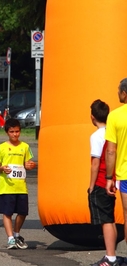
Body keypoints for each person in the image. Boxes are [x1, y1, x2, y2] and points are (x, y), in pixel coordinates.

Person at [0, 118, 36, 249]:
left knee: (23, 212)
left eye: (17, 131)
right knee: (7, 213)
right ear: (7, 132)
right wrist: (2, 168)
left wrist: (31, 165)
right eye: (12, 132)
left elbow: (28, 164)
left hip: (21, 187)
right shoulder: (1, 148)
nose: (15, 134)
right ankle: (10, 238)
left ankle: (17, 234)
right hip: (6, 187)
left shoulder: (25, 147)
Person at [88, 99, 118, 266]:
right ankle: (111, 254)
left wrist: (91, 185)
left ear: (92, 117)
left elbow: (95, 163)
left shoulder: (96, 136)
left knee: (105, 220)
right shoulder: (112, 132)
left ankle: (110, 257)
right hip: (113, 179)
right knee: (110, 218)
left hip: (101, 181)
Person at [106, 78, 127, 265]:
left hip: (125, 174)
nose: (117, 93)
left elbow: (111, 150)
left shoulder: (115, 116)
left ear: (125, 93)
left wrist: (108, 177)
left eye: (118, 90)